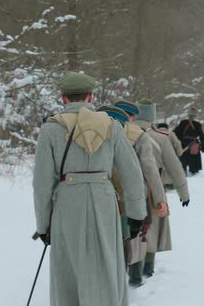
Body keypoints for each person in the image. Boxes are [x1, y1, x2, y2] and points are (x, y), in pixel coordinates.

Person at [33, 72, 146, 306]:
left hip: (67, 202)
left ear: (63, 98)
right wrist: (137, 214)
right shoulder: (112, 126)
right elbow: (132, 173)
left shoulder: (50, 130)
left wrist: (43, 224)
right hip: (104, 200)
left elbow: (42, 183)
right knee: (105, 263)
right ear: (91, 96)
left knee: (68, 267)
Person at [97, 104, 168, 287]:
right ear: (132, 118)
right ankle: (135, 279)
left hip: (101, 194)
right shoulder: (139, 135)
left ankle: (110, 279)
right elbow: (150, 170)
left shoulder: (95, 130)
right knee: (135, 236)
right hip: (134, 193)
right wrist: (160, 199)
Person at [134, 99, 190, 278]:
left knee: (132, 228)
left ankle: (133, 270)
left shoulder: (124, 132)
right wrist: (184, 194)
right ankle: (148, 268)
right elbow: (175, 168)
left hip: (126, 189)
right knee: (153, 228)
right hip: (154, 187)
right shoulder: (161, 137)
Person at [173, 106, 204, 175]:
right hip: (193, 145)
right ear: (195, 115)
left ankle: (183, 171)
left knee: (183, 159)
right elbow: (202, 136)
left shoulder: (183, 123)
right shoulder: (197, 125)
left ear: (188, 114)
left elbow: (175, 133)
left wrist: (177, 141)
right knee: (194, 158)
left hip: (183, 144)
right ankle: (194, 172)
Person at [156, 123, 183, 188]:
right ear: (167, 128)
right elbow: (177, 144)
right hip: (169, 155)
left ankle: (159, 183)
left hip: (157, 155)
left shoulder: (155, 133)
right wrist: (179, 152)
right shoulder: (171, 134)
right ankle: (169, 184)